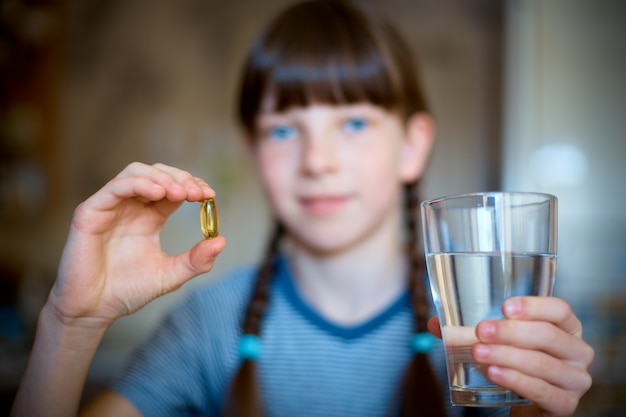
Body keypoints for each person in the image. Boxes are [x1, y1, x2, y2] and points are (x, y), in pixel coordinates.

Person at [10, 1, 593, 416]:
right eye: (284, 130)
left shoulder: (478, 325)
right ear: (253, 151)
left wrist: (536, 408)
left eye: (355, 122)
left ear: (413, 144)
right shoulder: (211, 324)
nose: (318, 160)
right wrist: (71, 324)